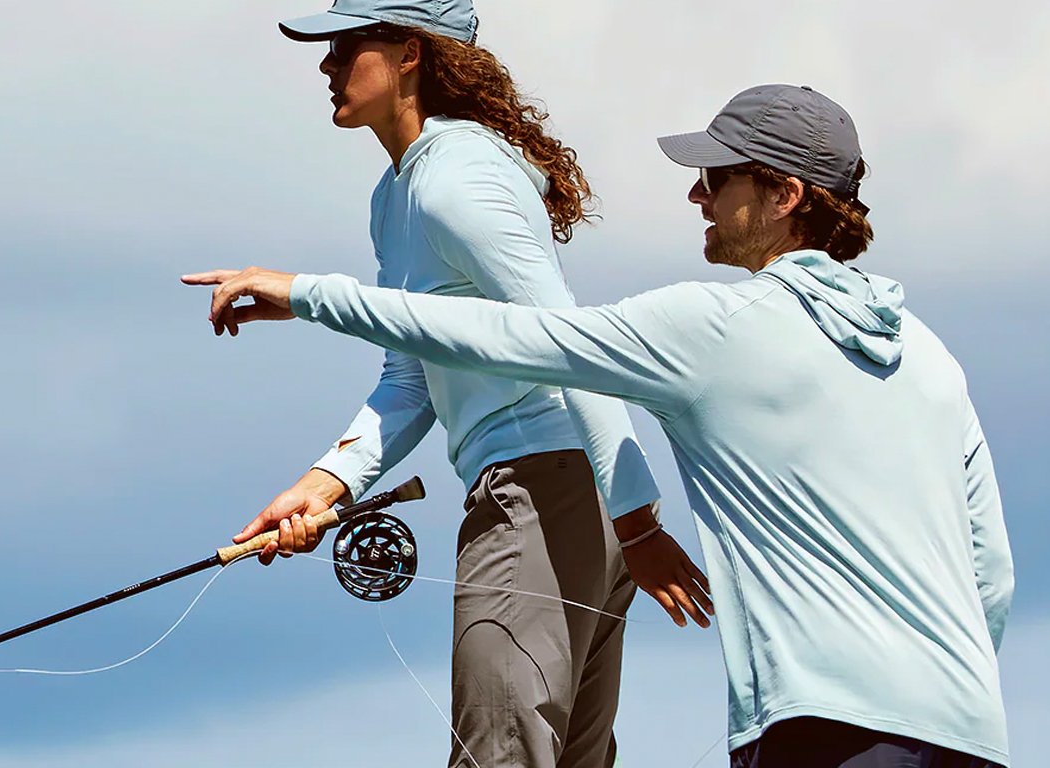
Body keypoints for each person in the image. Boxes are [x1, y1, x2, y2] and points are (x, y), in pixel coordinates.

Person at [187, 84, 1015, 768]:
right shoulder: (931, 355)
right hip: (971, 734)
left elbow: (516, 335)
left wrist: (304, 293)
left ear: (785, 196)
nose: (698, 194)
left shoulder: (717, 326)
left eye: (717, 178)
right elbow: (991, 576)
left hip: (826, 730)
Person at [182, 2, 714, 766]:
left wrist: (637, 521)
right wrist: (326, 483)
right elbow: (411, 376)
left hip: (545, 492)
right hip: (564, 495)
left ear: (408, 54)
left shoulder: (457, 179)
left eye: (345, 46)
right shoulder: (397, 194)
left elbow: (573, 345)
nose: (327, 65)